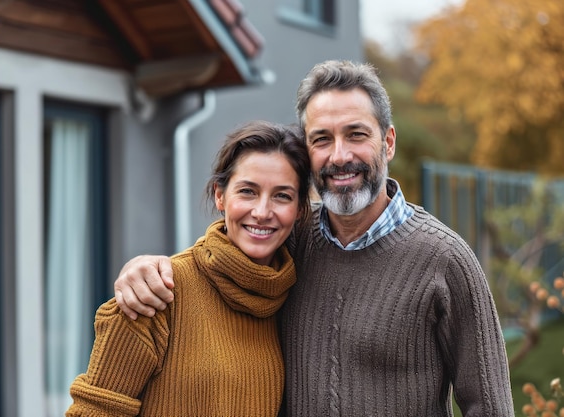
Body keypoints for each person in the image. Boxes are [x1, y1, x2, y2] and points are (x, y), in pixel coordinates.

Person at [113, 60, 515, 416]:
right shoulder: (290, 243)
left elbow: (490, 407)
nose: (339, 155)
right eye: (322, 138)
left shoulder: (445, 261)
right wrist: (144, 267)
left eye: (356, 134)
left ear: (388, 142)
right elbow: (220, 256)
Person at [65, 120, 311, 416]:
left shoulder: (292, 296)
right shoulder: (156, 291)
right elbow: (94, 411)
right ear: (220, 196)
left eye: (282, 196)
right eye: (247, 191)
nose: (261, 212)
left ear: (299, 210)